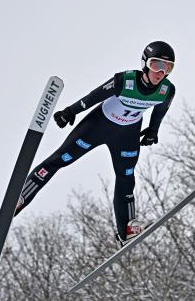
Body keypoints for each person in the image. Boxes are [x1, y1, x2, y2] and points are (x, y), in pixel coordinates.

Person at [14, 41, 176, 246]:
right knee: (60, 159)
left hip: (127, 135)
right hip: (98, 127)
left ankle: (127, 228)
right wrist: (70, 111)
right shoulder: (125, 80)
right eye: (156, 65)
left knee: (126, 177)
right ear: (145, 63)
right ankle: (19, 198)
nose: (160, 72)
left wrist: (153, 131)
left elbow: (160, 111)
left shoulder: (166, 90)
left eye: (167, 68)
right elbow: (93, 96)